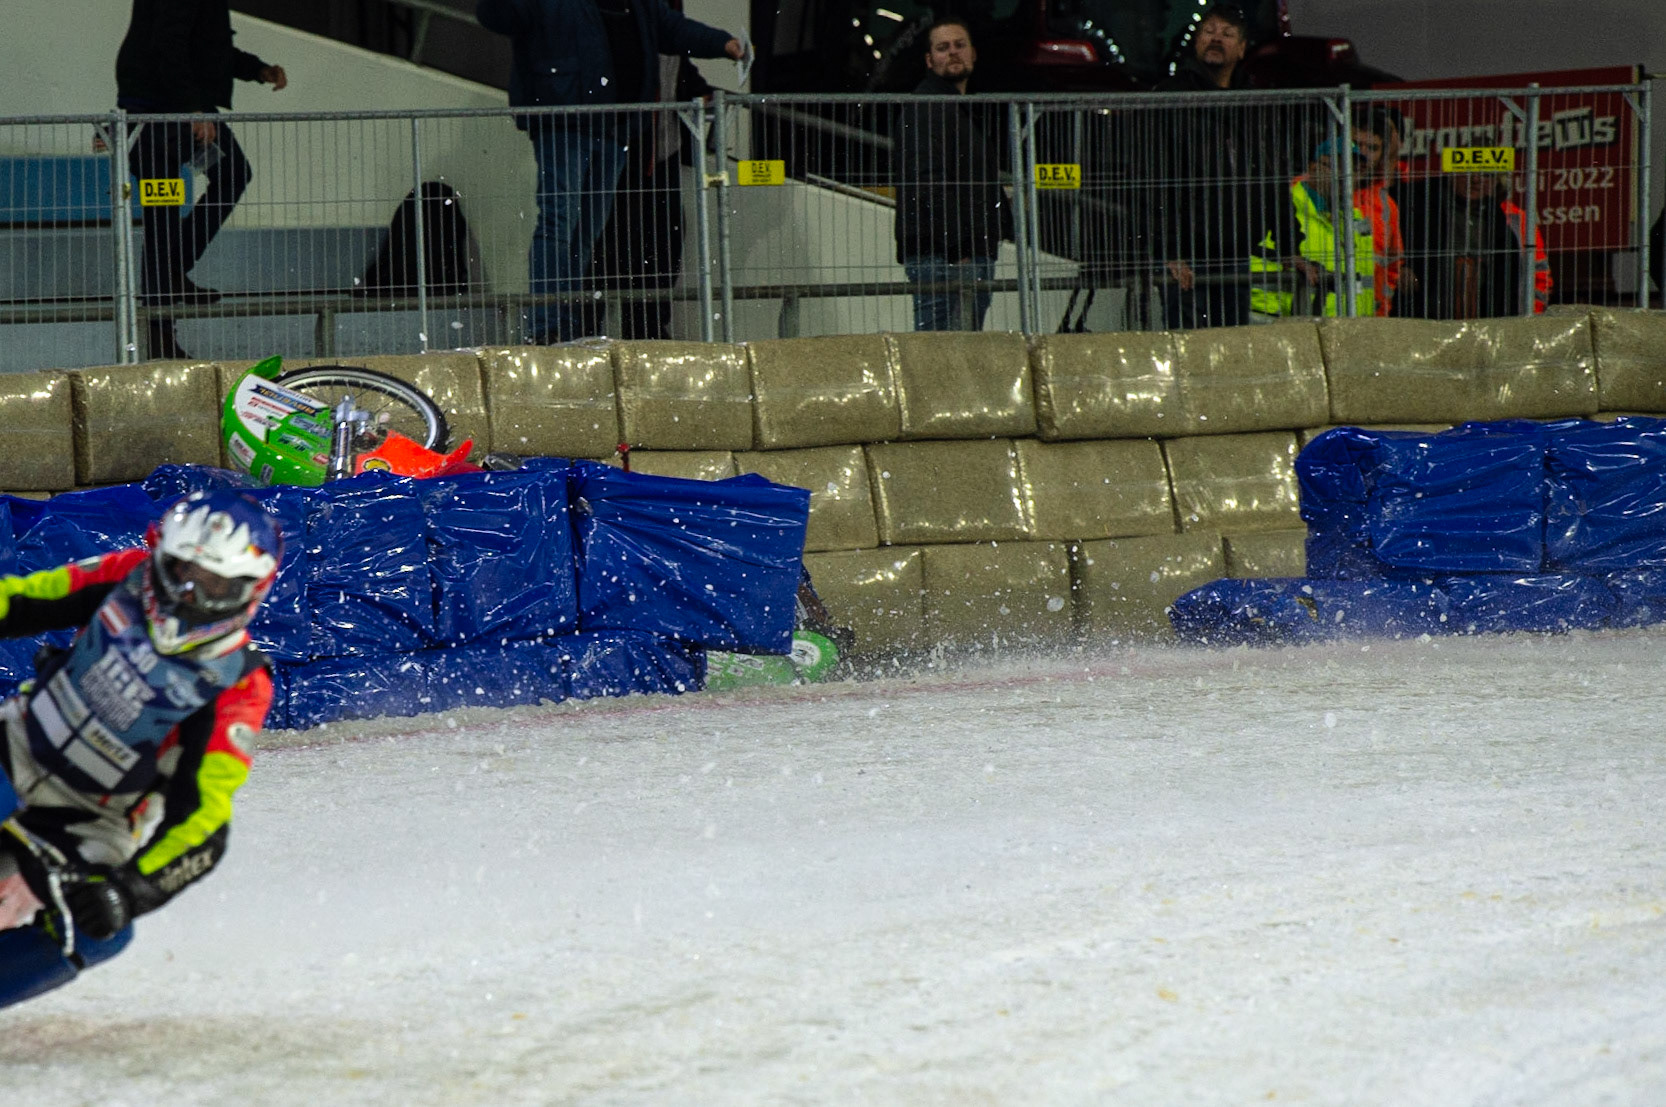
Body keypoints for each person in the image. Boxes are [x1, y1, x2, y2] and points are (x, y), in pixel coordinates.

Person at [0, 490, 282, 1008]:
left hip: (90, 819)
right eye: (183, 572)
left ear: (251, 592)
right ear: (160, 557)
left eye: (217, 585)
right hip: (16, 744)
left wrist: (127, 892)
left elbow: (202, 823)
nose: (193, 595)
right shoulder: (124, 574)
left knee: (99, 933)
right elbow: (19, 599)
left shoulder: (240, 686)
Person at [476, 0, 744, 344]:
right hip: (567, 121)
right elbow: (497, 14)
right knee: (560, 225)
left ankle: (564, 325)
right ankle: (547, 327)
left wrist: (722, 44)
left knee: (583, 233)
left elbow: (672, 29)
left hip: (614, 126)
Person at [115, 0, 288, 360]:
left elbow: (205, 48)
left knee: (199, 193)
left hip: (166, 108)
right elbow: (169, 45)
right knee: (167, 210)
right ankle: (161, 323)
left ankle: (172, 273)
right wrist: (193, 109)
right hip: (159, 112)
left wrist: (256, 69)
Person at [1146, 2, 1282, 331]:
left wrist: (1288, 247)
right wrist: (1170, 250)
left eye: (1227, 33)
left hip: (1235, 252)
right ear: (1197, 41)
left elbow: (1270, 177)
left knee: (1231, 349)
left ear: (1242, 47)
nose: (1216, 39)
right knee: (1188, 348)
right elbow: (1150, 179)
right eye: (1209, 31)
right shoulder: (1169, 96)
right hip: (1186, 255)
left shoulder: (1252, 101)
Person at [582, 54, 714, 339]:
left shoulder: (661, 22)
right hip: (625, 146)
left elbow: (676, 59)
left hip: (659, 151)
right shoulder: (638, 18)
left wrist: (697, 86)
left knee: (664, 237)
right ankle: (593, 329)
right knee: (614, 243)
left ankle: (646, 327)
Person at [893, 18, 1010, 332]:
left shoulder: (950, 107)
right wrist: (960, 251)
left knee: (952, 353)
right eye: (943, 48)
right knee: (943, 354)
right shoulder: (928, 107)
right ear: (930, 61)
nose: (953, 53)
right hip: (948, 257)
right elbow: (926, 182)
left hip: (960, 253)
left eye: (960, 45)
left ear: (973, 53)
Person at [1249, 137, 1376, 318]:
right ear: (1314, 168)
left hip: (1350, 327)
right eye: (1338, 168)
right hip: (1289, 324)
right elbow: (1262, 266)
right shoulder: (1286, 211)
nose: (1345, 177)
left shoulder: (1353, 218)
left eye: (1353, 170)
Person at [1398, 170, 1551, 319]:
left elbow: (1538, 274)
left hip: (1487, 324)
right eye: (1469, 172)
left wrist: (1529, 318)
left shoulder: (1513, 221)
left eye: (1486, 174)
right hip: (1425, 320)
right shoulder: (1419, 205)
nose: (1476, 180)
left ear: (1497, 181)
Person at [1352, 107, 1406, 317]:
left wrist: (1381, 311)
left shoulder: (1386, 205)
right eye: (1357, 144)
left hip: (1365, 319)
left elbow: (1392, 267)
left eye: (1372, 148)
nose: (1363, 154)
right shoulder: (1306, 191)